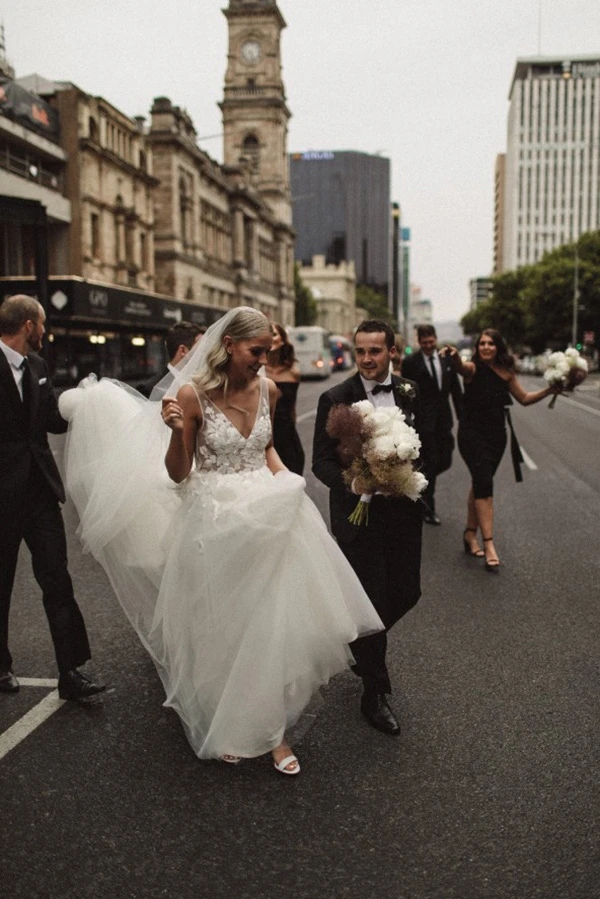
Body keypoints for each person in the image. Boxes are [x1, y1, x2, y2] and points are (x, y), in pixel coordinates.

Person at [59, 307, 382, 775]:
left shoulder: (270, 389)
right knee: (222, 628)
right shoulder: (191, 395)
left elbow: (266, 448)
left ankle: (274, 733)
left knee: (271, 626)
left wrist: (286, 480)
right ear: (229, 345)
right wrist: (176, 433)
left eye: (268, 352)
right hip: (214, 521)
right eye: (257, 351)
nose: (264, 360)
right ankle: (226, 722)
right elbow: (178, 473)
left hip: (271, 516)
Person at [312, 319, 423, 737]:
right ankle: (374, 694)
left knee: (407, 593)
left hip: (403, 514)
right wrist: (355, 482)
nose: (366, 359)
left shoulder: (410, 391)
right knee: (373, 603)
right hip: (358, 518)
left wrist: (411, 474)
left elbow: (428, 441)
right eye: (360, 351)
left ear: (392, 351)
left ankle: (356, 642)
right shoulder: (335, 398)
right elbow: (320, 461)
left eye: (375, 350)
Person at [0, 295, 105, 701]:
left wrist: (88, 404)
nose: (45, 332)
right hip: (2, 496)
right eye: (42, 324)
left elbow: (50, 420)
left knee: (57, 580)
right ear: (29, 325)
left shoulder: (39, 366)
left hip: (40, 493)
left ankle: (71, 673)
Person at [447, 328, 561, 572]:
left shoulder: (507, 373)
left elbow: (524, 398)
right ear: (477, 348)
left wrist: (549, 391)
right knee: (484, 484)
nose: (486, 347)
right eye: (482, 344)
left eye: (490, 343)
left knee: (480, 483)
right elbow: (460, 367)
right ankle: (489, 544)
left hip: (497, 437)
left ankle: (470, 534)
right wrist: (455, 357)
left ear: (498, 347)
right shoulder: (473, 369)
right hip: (472, 435)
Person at [401, 324, 463, 525]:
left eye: (431, 342)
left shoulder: (447, 359)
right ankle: (428, 509)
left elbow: (455, 389)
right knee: (432, 460)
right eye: (424, 342)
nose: (428, 345)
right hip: (424, 422)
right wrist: (408, 420)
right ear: (419, 342)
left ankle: (420, 481)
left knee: (445, 459)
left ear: (436, 339)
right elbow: (406, 392)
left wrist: (462, 416)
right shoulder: (411, 362)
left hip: (444, 420)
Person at [263, 322, 305, 475]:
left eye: (274, 334)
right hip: (265, 434)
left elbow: (292, 408)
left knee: (293, 474)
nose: (270, 338)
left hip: (287, 434)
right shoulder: (257, 370)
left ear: (282, 339)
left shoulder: (293, 372)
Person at [137, 321, 205, 398]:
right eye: (201, 349)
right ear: (183, 351)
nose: (206, 354)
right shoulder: (148, 389)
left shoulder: (205, 385)